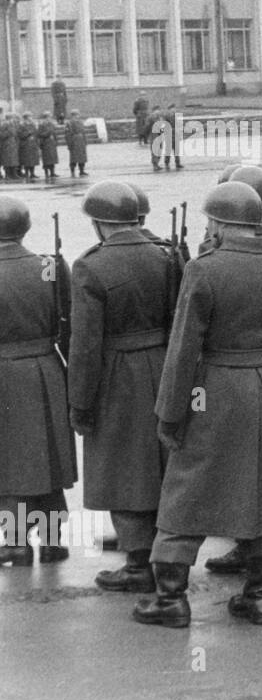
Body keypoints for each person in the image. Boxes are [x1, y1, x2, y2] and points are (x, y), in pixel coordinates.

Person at [133, 182, 262, 628]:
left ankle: (171, 598)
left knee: (188, 487)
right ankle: (260, 596)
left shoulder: (204, 269)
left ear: (217, 222)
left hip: (213, 386)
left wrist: (170, 414)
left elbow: (182, 350)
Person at [67, 182, 172, 591]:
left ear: (98, 224)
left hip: (117, 373)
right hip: (162, 365)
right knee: (157, 462)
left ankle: (137, 565)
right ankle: (154, 550)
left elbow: (85, 346)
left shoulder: (92, 266)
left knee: (123, 466)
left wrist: (80, 402)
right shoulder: (166, 254)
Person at [0, 196, 76, 566]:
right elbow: (68, 323)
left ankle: (15, 541)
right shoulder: (50, 266)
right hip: (47, 367)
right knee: (47, 456)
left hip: (4, 371)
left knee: (11, 460)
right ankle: (51, 539)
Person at [36, 111, 58, 181]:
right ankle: (46, 172)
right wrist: (47, 133)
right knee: (46, 159)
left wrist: (55, 140)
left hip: (52, 143)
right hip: (45, 143)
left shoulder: (51, 124)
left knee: (52, 158)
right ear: (46, 117)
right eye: (49, 117)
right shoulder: (42, 125)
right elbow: (39, 134)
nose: (50, 118)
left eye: (50, 117)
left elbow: (54, 132)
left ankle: (52, 172)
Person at [66, 110, 88, 177]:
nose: (77, 116)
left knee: (82, 157)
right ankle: (72, 171)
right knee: (74, 158)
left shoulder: (80, 122)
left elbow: (83, 132)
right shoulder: (69, 123)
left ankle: (82, 171)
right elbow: (68, 134)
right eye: (76, 115)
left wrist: (85, 141)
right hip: (74, 141)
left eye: (77, 115)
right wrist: (70, 144)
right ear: (73, 116)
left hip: (81, 141)